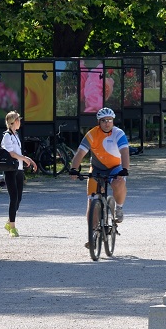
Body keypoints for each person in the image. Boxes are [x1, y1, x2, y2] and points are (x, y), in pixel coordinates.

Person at [68, 106, 129, 251]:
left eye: (110, 120)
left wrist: (125, 169)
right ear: (99, 122)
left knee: (118, 182)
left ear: (113, 121)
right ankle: (93, 234)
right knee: (91, 201)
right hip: (96, 168)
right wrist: (74, 169)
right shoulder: (92, 134)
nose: (107, 123)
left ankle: (118, 208)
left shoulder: (118, 133)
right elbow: (80, 153)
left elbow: (125, 151)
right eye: (104, 121)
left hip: (115, 167)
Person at [0, 111, 35, 236]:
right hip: (10, 169)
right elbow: (11, 153)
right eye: (18, 120)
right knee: (13, 197)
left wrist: (27, 159)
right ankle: (12, 227)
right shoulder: (7, 136)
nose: (20, 122)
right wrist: (24, 158)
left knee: (19, 198)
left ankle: (9, 221)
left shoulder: (16, 135)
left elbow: (18, 152)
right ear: (13, 122)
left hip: (19, 169)